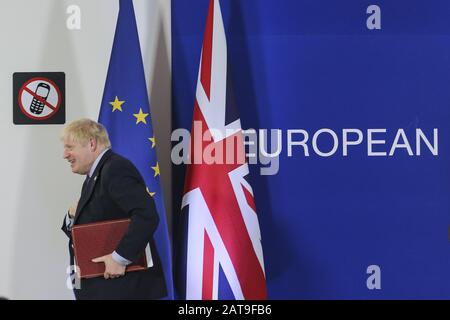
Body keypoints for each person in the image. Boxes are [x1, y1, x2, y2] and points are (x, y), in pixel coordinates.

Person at [60, 118, 167, 300]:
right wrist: (72, 216)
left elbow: (146, 215)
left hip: (123, 289)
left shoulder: (115, 169)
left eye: (70, 147)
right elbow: (92, 225)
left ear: (91, 143)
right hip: (105, 288)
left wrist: (120, 258)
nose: (65, 154)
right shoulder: (95, 175)